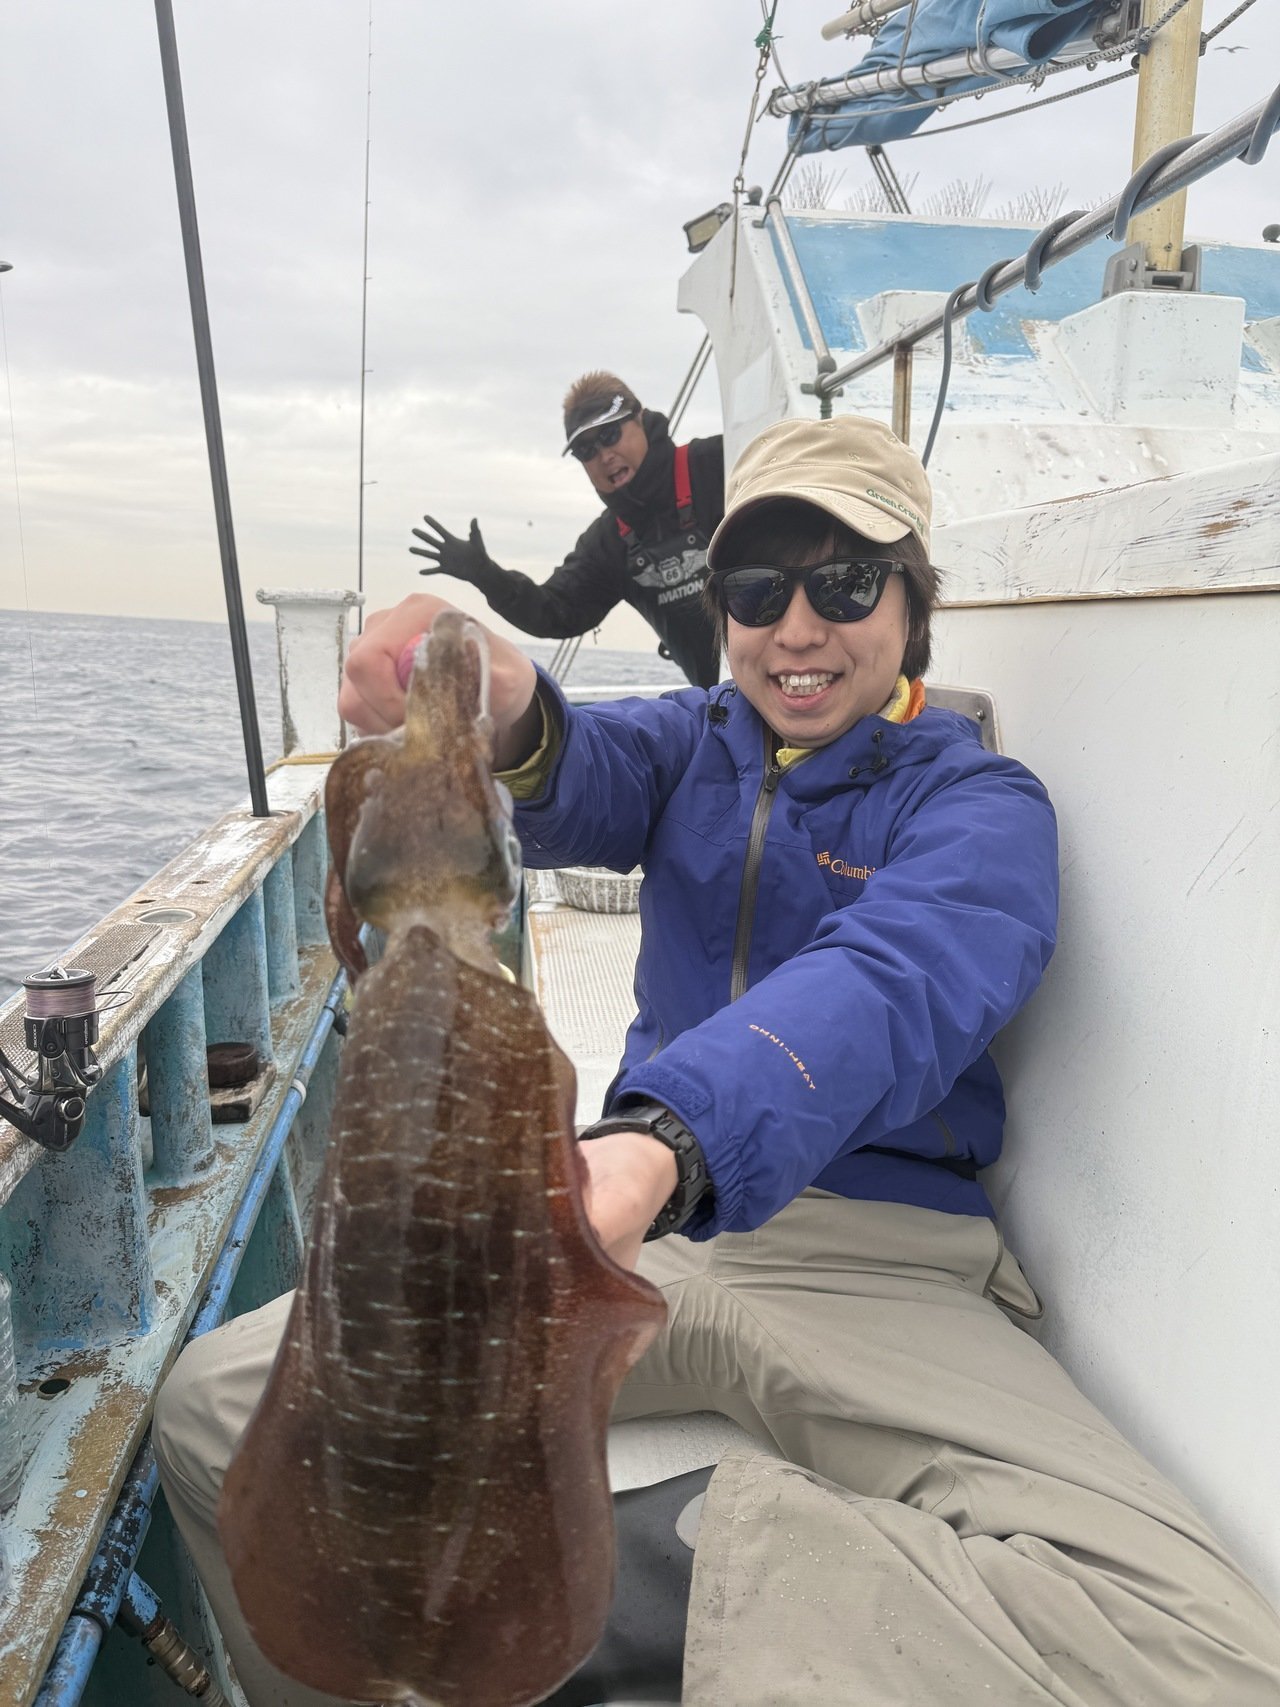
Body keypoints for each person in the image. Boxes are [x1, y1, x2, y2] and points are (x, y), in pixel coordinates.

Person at [154, 416, 1280, 1706]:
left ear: (913, 602)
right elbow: (572, 768)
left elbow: (890, 983)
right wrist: (502, 702)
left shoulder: (978, 806)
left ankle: (663, 1578)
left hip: (870, 1257)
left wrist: (657, 1147)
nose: (796, 628)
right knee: (212, 1410)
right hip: (629, 1243)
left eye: (844, 584)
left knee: (1199, 1658)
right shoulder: (688, 743)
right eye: (755, 590)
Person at [408, 371, 724, 688]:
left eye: (609, 434)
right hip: (724, 706)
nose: (604, 456)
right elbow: (556, 612)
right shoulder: (608, 542)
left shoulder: (722, 464)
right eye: (586, 450)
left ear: (640, 418)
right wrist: (486, 575)